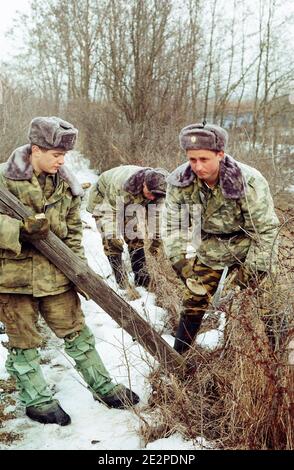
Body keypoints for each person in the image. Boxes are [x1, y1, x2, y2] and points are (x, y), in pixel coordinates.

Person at [0, 116, 139, 426]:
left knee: (78, 334)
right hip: (13, 279)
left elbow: (74, 231)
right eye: (56, 154)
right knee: (24, 343)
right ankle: (38, 401)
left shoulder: (67, 183)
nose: (61, 161)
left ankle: (103, 387)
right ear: (35, 150)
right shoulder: (3, 179)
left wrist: (80, 273)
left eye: (64, 155)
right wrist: (17, 230)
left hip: (57, 274)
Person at [163, 121, 280, 354]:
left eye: (204, 159)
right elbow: (174, 226)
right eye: (192, 159)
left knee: (268, 304)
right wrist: (180, 263)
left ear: (220, 155)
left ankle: (278, 361)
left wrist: (251, 272)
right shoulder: (180, 182)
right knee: (193, 300)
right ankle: (178, 360)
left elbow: (266, 231)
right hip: (211, 245)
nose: (197, 166)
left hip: (250, 243)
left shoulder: (247, 181)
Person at [87, 165, 168, 289]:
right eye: (151, 193)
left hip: (132, 201)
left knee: (135, 236)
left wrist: (156, 242)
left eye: (156, 196)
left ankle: (142, 280)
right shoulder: (120, 183)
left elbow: (155, 217)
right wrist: (113, 236)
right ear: (144, 184)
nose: (153, 198)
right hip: (105, 200)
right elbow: (109, 211)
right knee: (112, 240)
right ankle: (122, 283)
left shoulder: (159, 190)